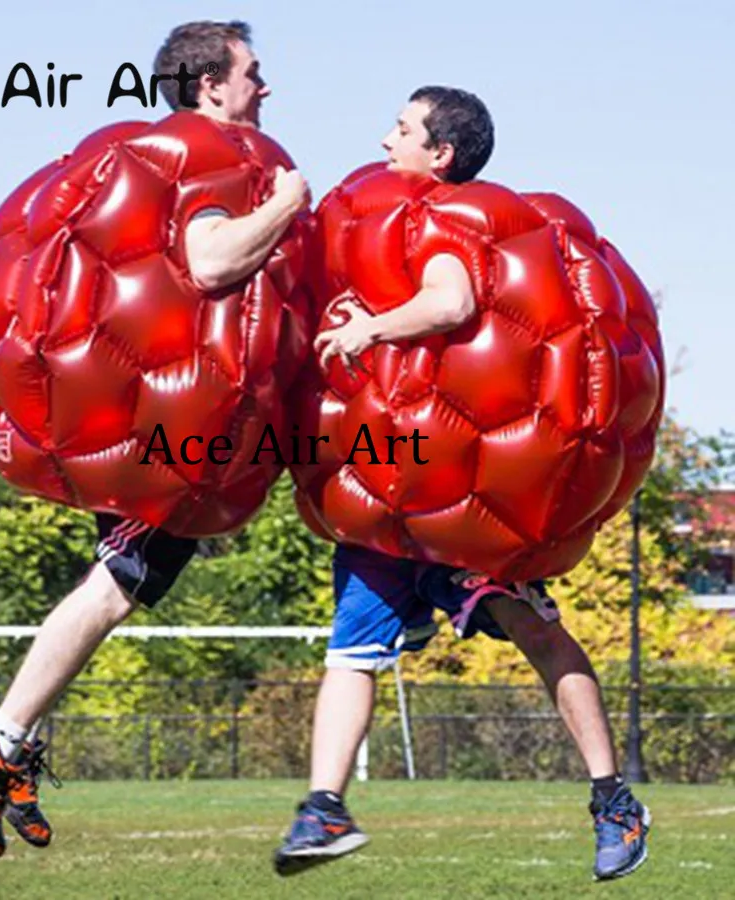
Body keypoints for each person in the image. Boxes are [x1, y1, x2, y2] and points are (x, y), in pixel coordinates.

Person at [0, 19, 310, 862]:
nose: (266, 86)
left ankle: (16, 747)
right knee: (118, 586)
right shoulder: (215, 154)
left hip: (164, 412)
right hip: (173, 430)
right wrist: (287, 204)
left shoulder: (196, 153)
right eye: (254, 72)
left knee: (124, 584)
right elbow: (211, 261)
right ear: (210, 85)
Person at [273, 87, 650, 883]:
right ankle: (322, 805)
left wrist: (367, 329)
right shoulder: (377, 222)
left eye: (402, 130)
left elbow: (452, 301)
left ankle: (614, 797)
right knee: (349, 652)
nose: (384, 138)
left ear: (439, 155)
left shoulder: (448, 218)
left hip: (469, 501)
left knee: (536, 634)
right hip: (389, 492)